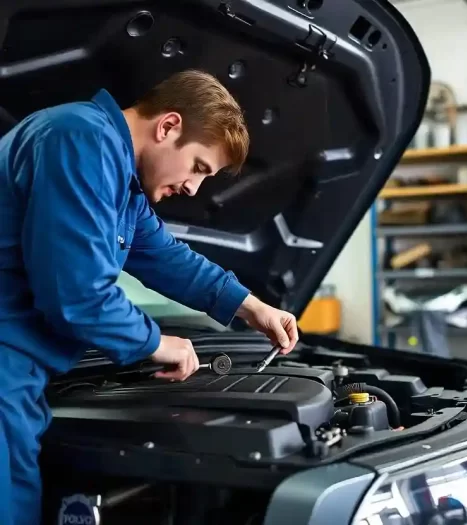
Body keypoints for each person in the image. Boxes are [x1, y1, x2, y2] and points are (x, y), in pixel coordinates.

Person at [0, 70, 299, 525]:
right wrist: (158, 343)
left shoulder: (120, 179)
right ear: (168, 126)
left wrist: (252, 307)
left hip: (23, 369)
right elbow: (78, 295)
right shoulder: (79, 140)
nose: (194, 188)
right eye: (198, 167)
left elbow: (164, 255)